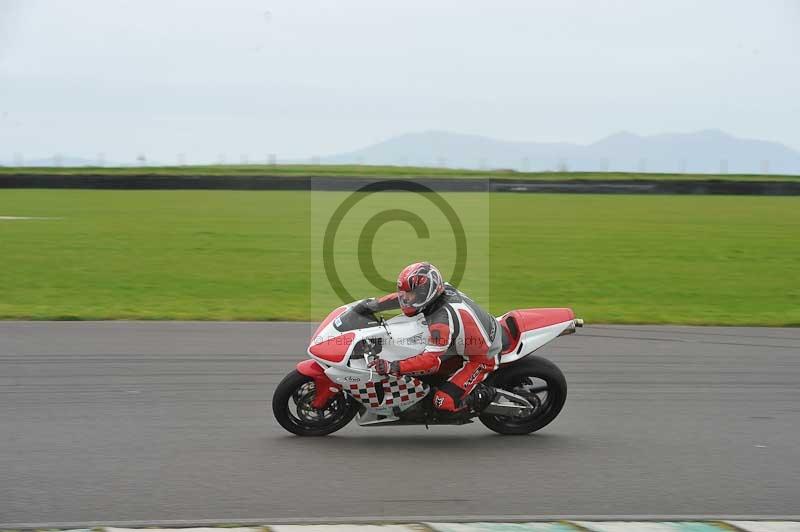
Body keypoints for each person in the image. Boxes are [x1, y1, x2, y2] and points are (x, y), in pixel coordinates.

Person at [353, 262, 500, 414]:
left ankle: (484, 396)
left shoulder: (441, 320)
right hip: (463, 343)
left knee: (443, 401)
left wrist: (393, 366)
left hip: (482, 357)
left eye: (410, 294)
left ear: (425, 293)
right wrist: (372, 306)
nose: (405, 298)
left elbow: (431, 362)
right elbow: (399, 298)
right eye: (404, 292)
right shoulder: (438, 292)